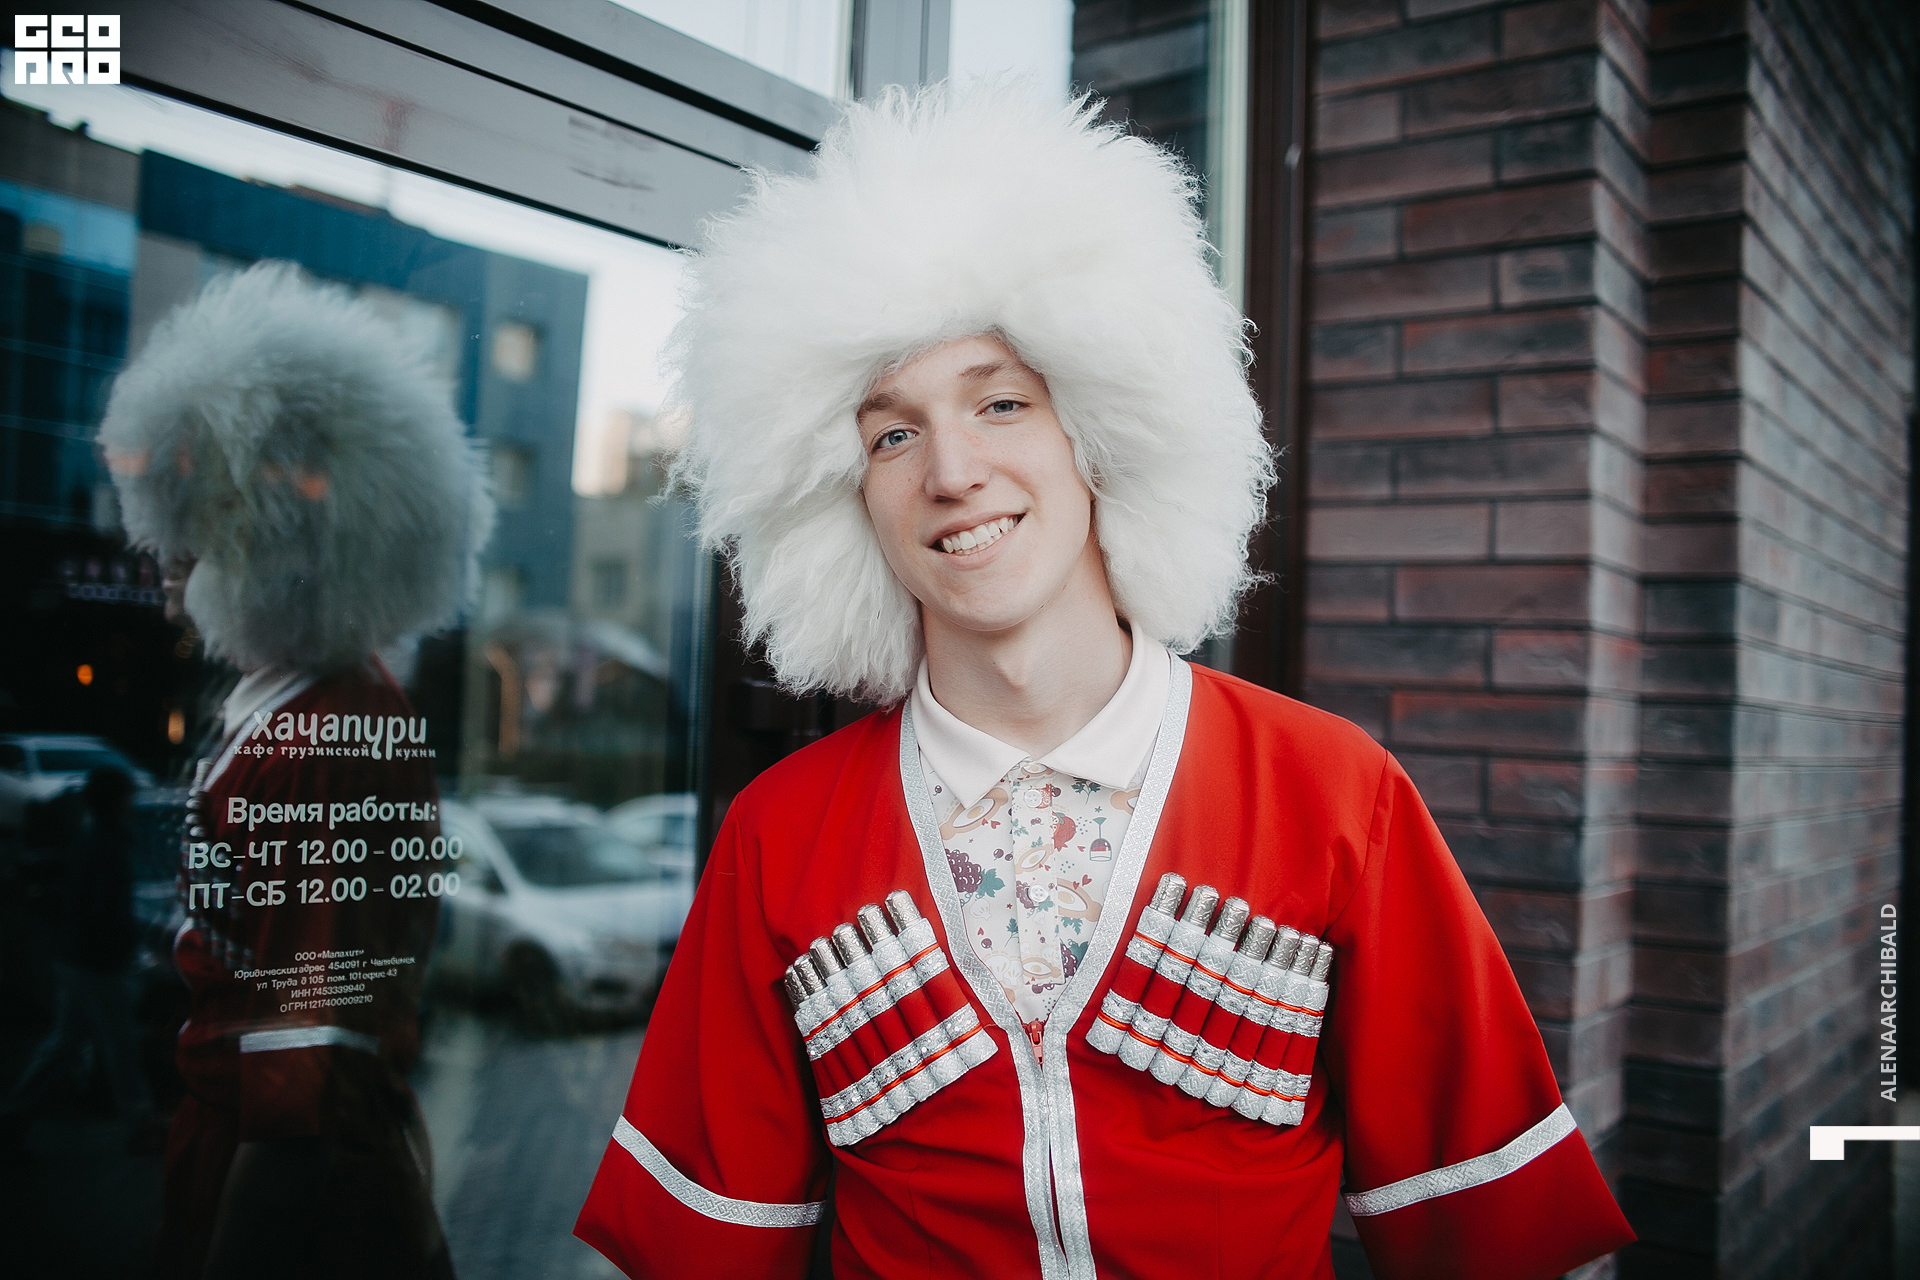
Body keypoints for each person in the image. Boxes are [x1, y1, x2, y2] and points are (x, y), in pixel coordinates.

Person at [574, 85, 1636, 1279]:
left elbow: (1493, 1232)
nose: (953, 470)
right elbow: (702, 1252)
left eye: (1001, 402)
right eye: (891, 433)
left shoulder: (1336, 791)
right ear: (841, 497)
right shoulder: (779, 835)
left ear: (1100, 428)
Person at [98, 263, 493, 1279]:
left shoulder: (325, 740)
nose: (165, 552)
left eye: (198, 521)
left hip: (290, 1204)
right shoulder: (294, 705)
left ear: (279, 540)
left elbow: (302, 1104)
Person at [1, 767, 162, 1151]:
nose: (131, 803)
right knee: (120, 1044)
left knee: (66, 1040)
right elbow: (107, 910)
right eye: (127, 797)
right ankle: (140, 1123)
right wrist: (137, 941)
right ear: (115, 800)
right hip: (98, 962)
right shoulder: (106, 844)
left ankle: (14, 1114)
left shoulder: (93, 838)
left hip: (77, 957)